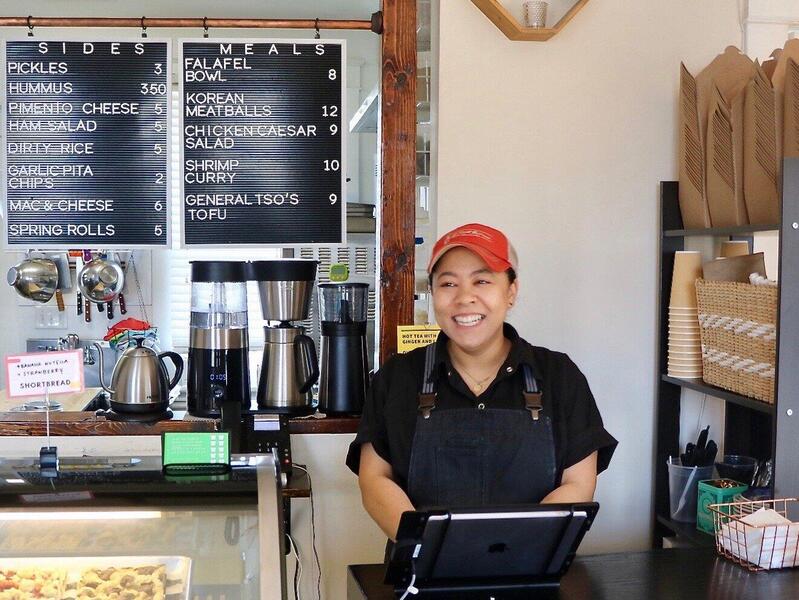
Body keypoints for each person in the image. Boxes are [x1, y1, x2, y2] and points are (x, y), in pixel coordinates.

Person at [346, 223, 617, 541]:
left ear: (511, 292)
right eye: (448, 283)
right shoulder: (398, 377)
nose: (465, 298)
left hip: (528, 566)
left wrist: (507, 550)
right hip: (421, 571)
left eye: (482, 281)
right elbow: (375, 479)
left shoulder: (559, 375)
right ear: (433, 293)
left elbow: (578, 483)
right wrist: (425, 547)